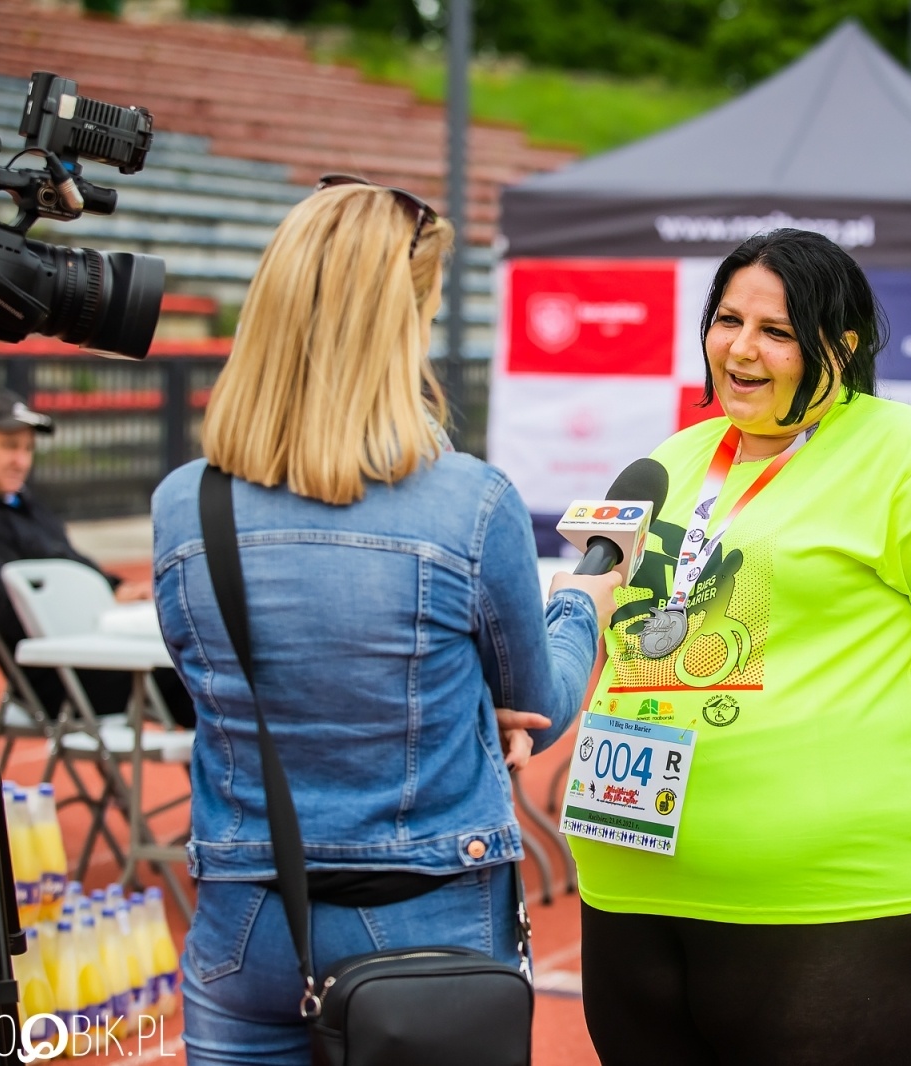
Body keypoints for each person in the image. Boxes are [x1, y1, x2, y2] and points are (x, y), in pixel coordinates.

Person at [149, 177, 619, 1065]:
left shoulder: (184, 504)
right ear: (404, 323)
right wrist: (582, 601)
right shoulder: (469, 505)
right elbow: (540, 705)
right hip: (427, 913)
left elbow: (223, 683)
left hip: (246, 915)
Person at [572, 229, 911, 1066]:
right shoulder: (669, 460)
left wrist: (868, 749)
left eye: (777, 331)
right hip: (629, 882)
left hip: (829, 905)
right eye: (727, 321)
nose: (741, 349)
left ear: (843, 343)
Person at [0, 389, 195, 727]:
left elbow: (69, 558)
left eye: (28, 448)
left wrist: (115, 587)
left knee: (200, 659)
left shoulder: (18, 503)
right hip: (63, 674)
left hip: (88, 652)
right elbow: (15, 611)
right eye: (9, 446)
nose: (21, 460)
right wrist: (105, 604)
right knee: (201, 670)